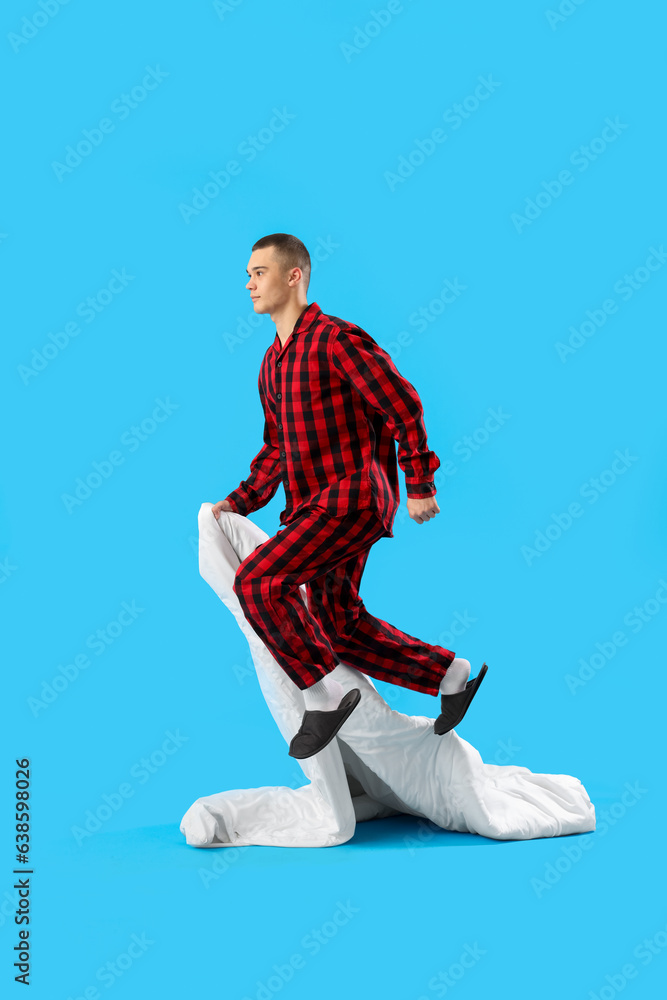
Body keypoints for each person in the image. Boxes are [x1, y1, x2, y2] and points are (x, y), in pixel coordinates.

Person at [212, 233, 487, 758]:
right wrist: (239, 501)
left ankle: (324, 696)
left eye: (259, 272)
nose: (249, 284)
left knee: (261, 581)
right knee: (337, 624)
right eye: (247, 274)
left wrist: (420, 484)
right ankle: (450, 675)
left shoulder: (336, 340)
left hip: (352, 499)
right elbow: (276, 449)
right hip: (312, 507)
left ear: (294, 276)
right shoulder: (272, 364)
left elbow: (403, 405)